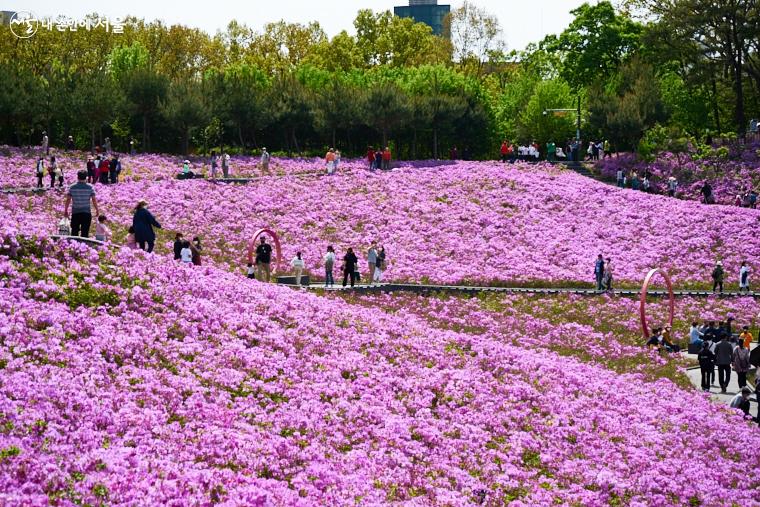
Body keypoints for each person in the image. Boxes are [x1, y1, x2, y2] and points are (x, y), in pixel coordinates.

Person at [64, 170, 98, 238]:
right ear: (86, 177)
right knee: (85, 233)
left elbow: (68, 199)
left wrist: (66, 210)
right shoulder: (90, 187)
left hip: (75, 212)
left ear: (77, 177)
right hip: (86, 213)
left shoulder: (72, 187)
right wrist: (97, 209)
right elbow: (94, 199)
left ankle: (74, 247)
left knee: (74, 232)